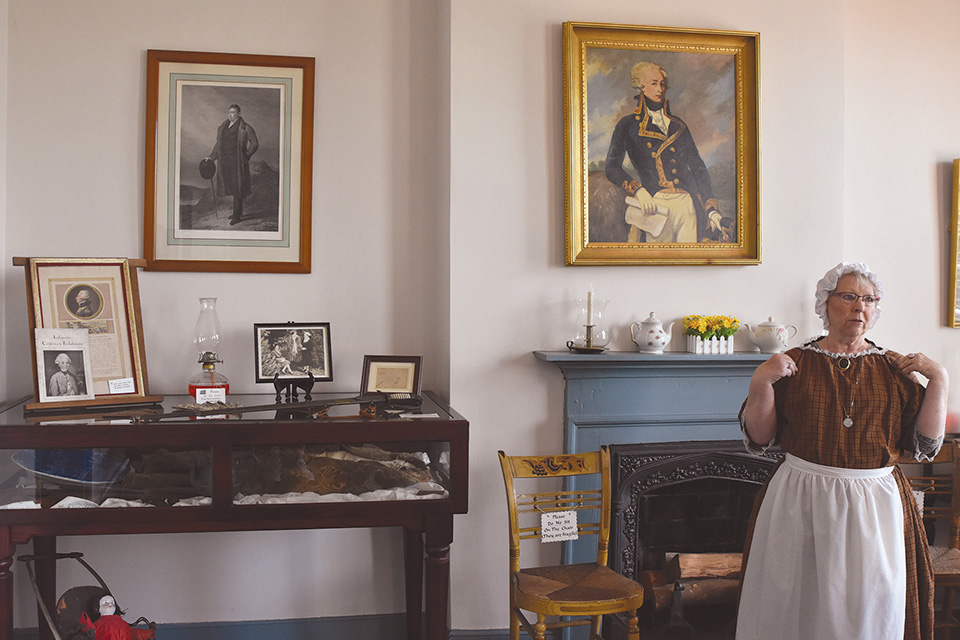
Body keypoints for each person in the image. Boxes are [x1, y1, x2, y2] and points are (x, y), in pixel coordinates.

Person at [736, 262, 948, 640]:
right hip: (800, 499)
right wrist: (761, 380)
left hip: (875, 506)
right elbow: (760, 438)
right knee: (795, 605)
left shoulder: (894, 369)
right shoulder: (793, 365)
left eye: (869, 300)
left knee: (869, 607)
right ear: (825, 303)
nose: (859, 307)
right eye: (849, 297)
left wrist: (940, 379)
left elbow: (925, 446)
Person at [604, 61, 728, 243]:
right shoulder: (628, 125)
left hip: (688, 206)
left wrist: (712, 210)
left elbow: (698, 168)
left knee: (688, 264)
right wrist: (639, 191)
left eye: (662, 84)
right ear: (641, 87)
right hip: (656, 206)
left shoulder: (679, 126)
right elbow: (611, 167)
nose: (660, 89)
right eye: (653, 83)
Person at [205, 103, 259, 225]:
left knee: (237, 189)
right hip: (225, 163)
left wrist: (246, 156)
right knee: (232, 187)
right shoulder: (223, 127)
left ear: (239, 114)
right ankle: (238, 213)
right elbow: (218, 146)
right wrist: (211, 157)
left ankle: (237, 216)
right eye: (229, 112)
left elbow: (255, 143)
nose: (231, 115)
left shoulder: (245, 127)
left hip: (237, 164)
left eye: (233, 112)